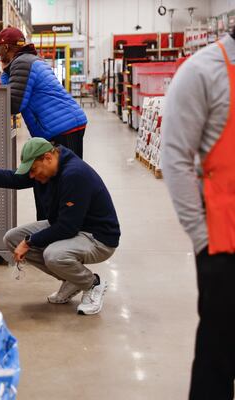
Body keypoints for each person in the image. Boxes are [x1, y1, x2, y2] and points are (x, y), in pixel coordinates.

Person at [0, 138, 120, 315]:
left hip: (97, 238)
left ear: (47, 158)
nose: (31, 176)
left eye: (33, 170)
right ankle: (73, 280)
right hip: (70, 226)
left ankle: (92, 284)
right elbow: (11, 178)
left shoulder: (74, 175)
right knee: (13, 238)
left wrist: (29, 242)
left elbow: (67, 227)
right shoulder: (46, 170)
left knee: (53, 255)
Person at [161, 29, 235, 399]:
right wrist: (203, 239)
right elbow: (175, 160)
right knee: (218, 355)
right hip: (224, 245)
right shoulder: (203, 71)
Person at [0, 27, 87, 159]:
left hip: (62, 126)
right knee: (67, 173)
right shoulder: (31, 59)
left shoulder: (22, 63)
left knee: (67, 175)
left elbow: (13, 104)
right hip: (66, 122)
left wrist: (4, 74)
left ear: (5, 47)